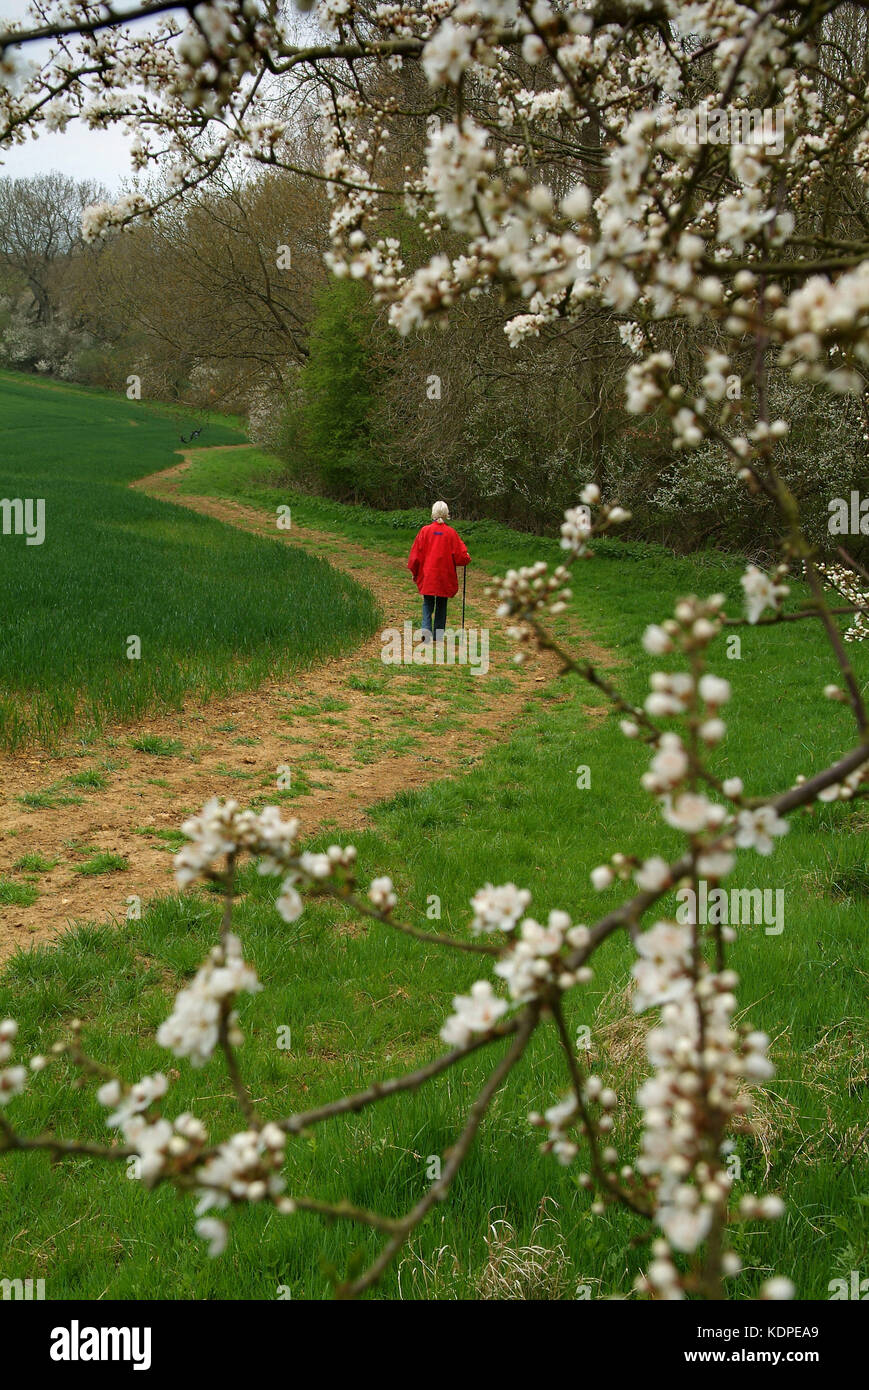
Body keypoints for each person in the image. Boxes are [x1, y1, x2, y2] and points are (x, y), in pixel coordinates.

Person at [407, 501, 470, 640]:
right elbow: (460, 556)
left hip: (428, 574)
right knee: (442, 603)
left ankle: (426, 632)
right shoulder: (451, 533)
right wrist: (467, 558)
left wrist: (415, 572)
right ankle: (439, 634)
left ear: (433, 513)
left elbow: (415, 555)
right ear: (447, 514)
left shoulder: (425, 531)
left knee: (427, 602)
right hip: (444, 575)